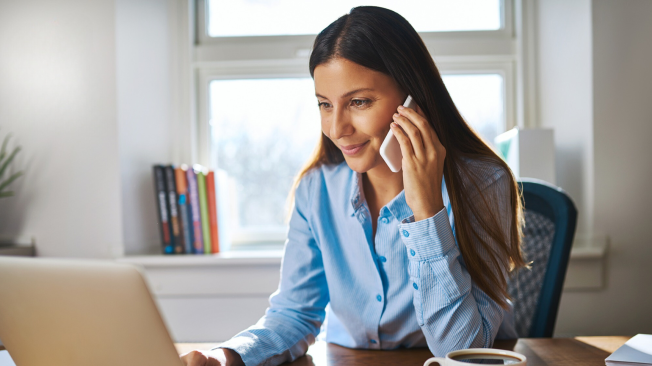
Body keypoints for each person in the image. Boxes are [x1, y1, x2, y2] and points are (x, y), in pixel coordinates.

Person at [181, 6, 526, 366]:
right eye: (325, 105)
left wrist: (427, 212)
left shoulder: (483, 183)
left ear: (413, 97)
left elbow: (463, 349)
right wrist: (225, 357)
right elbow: (295, 314)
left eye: (359, 102)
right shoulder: (317, 188)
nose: (336, 128)